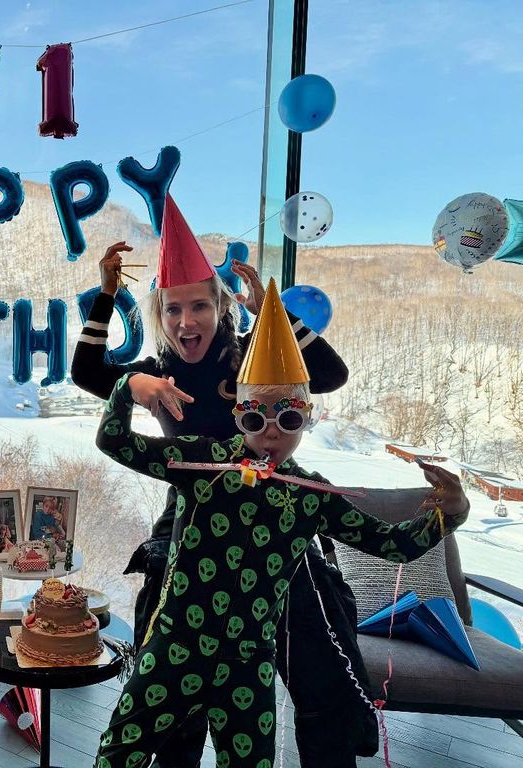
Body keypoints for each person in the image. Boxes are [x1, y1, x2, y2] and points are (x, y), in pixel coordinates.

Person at [93, 279, 470, 768]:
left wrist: (451, 513)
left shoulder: (311, 493)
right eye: (254, 419)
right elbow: (116, 443)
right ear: (238, 414)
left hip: (248, 665)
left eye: (288, 419)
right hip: (172, 651)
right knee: (119, 754)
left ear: (306, 418)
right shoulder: (202, 461)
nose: (271, 432)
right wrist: (127, 388)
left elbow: (393, 545)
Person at [71, 194, 375, 767]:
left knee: (321, 660)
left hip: (275, 516)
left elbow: (331, 375)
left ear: (219, 308)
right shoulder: (157, 372)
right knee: (167, 667)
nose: (187, 322)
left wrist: (272, 315)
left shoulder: (247, 357)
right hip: (192, 517)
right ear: (160, 316)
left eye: (199, 308)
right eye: (173, 311)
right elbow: (87, 372)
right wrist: (110, 303)